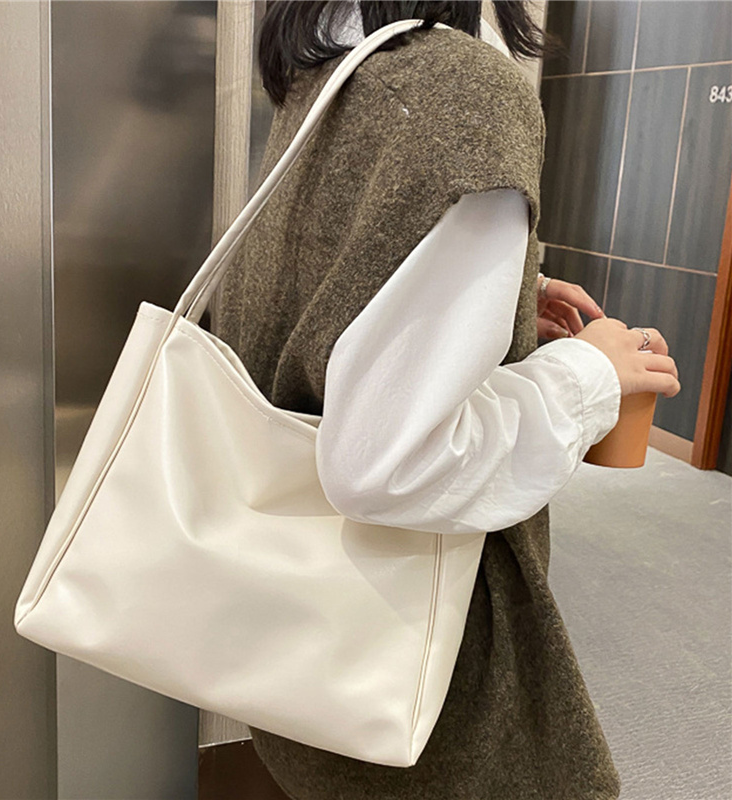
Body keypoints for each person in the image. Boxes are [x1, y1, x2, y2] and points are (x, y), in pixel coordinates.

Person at [214, 2, 681, 798]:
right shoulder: (460, 90)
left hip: (300, 637)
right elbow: (388, 465)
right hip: (417, 671)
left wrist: (497, 300)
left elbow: (329, 289)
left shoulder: (329, 68)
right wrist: (591, 376)